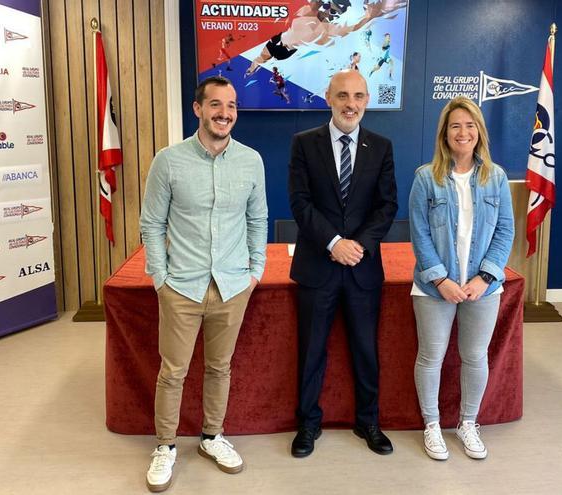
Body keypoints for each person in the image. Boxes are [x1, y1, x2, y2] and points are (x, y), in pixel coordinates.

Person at [139, 75, 268, 491]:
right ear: (198, 109)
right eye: (215, 105)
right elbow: (152, 223)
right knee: (173, 371)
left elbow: (257, 219)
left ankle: (212, 437)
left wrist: (255, 272)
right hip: (182, 286)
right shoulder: (169, 160)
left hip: (232, 286)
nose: (224, 113)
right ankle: (166, 446)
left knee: (219, 367)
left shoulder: (251, 161)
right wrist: (160, 278)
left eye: (230, 106)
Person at [288, 69, 398, 457]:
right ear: (328, 98)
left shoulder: (381, 146)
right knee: (312, 350)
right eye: (343, 96)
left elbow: (387, 206)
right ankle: (308, 424)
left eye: (358, 96)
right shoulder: (304, 143)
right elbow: (300, 203)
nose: (351, 104)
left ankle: (368, 421)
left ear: (367, 100)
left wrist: (359, 246)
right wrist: (334, 243)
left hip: (362, 268)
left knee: (366, 350)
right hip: (318, 266)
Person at [408, 96, 514, 461]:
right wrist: (441, 281)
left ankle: (468, 423)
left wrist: (485, 278)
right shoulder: (426, 177)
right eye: (455, 126)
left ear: (479, 132)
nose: (463, 132)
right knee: (431, 357)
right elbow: (419, 234)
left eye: (469, 125)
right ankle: (433, 426)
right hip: (434, 289)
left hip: (482, 289)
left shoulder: (496, 177)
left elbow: (505, 232)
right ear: (445, 133)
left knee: (475, 357)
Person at [244, 0, 408, 77]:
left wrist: (372, 14)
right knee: (257, 62)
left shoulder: (327, 30)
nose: (329, 13)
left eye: (335, 13)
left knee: (261, 61)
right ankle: (252, 67)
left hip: (287, 52)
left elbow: (352, 28)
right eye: (329, 7)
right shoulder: (309, 8)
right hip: (278, 40)